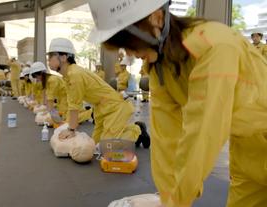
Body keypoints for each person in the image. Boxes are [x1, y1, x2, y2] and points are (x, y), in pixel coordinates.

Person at [87, 0, 267, 206]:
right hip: (247, 152)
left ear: (156, 17)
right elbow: (166, 139)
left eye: (130, 42)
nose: (130, 53)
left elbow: (203, 131)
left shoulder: (214, 46)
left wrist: (177, 200)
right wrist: (168, 197)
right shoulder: (161, 68)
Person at [47, 37, 146, 145]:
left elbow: (74, 106)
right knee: (95, 144)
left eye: (51, 56)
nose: (48, 60)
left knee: (107, 147)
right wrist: (67, 124)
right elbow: (72, 104)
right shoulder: (68, 76)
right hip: (101, 108)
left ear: (63, 57)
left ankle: (137, 130)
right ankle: (124, 131)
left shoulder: (75, 75)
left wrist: (70, 129)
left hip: (115, 107)